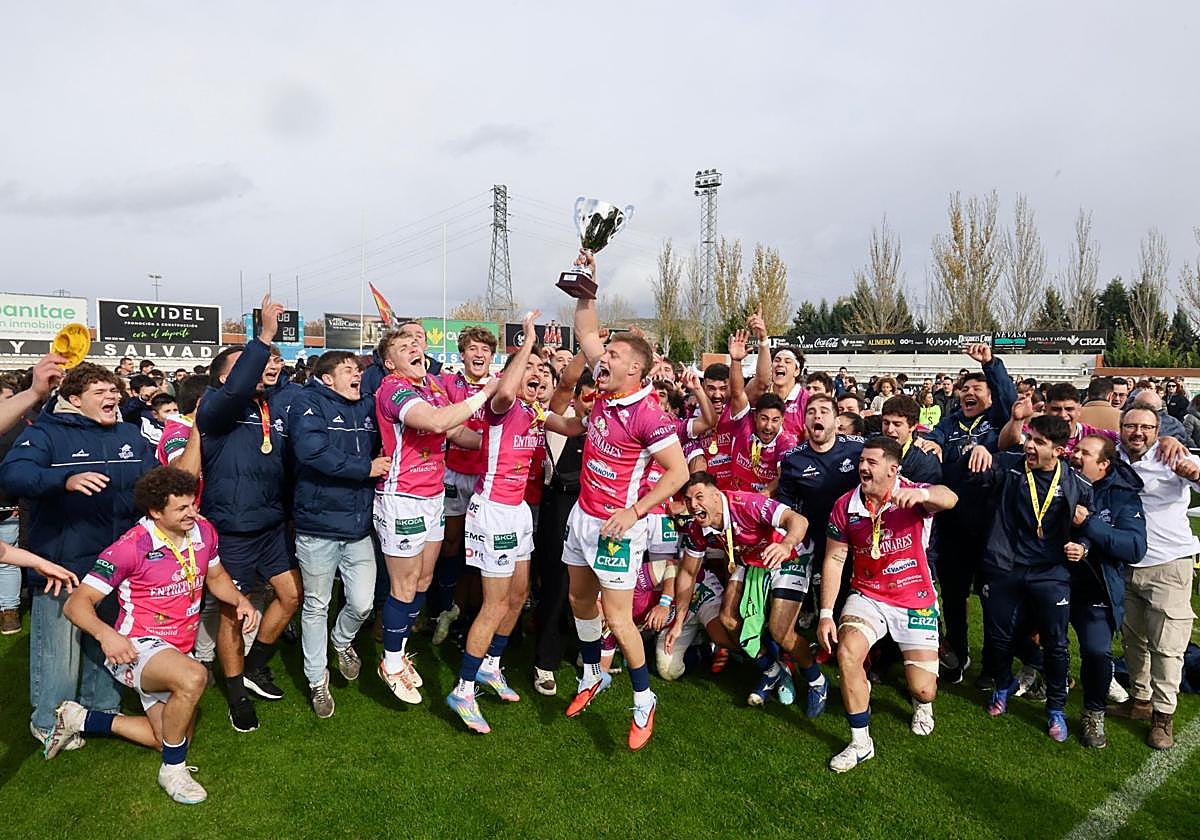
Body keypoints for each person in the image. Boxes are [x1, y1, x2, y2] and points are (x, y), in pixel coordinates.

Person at [47, 467, 258, 805]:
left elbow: (217, 578)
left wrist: (240, 600)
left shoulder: (203, 530)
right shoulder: (130, 546)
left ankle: (81, 718)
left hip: (177, 648)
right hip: (135, 647)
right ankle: (172, 772)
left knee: (169, 737)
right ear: (156, 512)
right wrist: (106, 635)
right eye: (182, 508)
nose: (192, 513)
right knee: (194, 676)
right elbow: (76, 604)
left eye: (193, 504)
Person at [562, 250, 688, 751]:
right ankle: (592, 673)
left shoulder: (649, 415)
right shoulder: (605, 388)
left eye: (613, 357)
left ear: (636, 369)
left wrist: (635, 511)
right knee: (578, 597)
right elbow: (586, 329)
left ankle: (642, 701)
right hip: (582, 517)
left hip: (620, 526)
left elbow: (678, 472)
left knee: (617, 618)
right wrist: (588, 282)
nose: (602, 358)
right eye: (605, 356)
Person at [0, 362, 154, 748]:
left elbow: (151, 483)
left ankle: (99, 709)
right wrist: (63, 480)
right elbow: (13, 476)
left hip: (113, 565)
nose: (112, 397)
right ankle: (49, 718)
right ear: (74, 399)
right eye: (100, 392)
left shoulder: (130, 435)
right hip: (60, 563)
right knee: (58, 650)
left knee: (104, 640)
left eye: (114, 390)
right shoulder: (47, 433)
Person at [448, 312, 577, 733]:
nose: (538, 375)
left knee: (520, 596)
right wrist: (527, 343)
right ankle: (463, 689)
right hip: (494, 511)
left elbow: (574, 426)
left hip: (519, 511)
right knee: (496, 603)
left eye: (542, 370)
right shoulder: (501, 406)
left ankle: (491, 665)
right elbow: (504, 389)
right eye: (531, 370)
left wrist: (607, 407)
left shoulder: (535, 411)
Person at [819, 436, 958, 771]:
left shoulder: (913, 493)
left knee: (924, 690)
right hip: (868, 595)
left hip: (915, 599)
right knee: (848, 652)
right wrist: (826, 613)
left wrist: (922, 495)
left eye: (872, 462)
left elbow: (949, 498)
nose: (862, 467)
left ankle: (922, 704)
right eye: (862, 461)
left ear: (893, 469)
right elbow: (835, 559)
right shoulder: (845, 505)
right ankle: (860, 742)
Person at [373, 322, 494, 705]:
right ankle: (391, 662)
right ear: (389, 361)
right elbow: (439, 422)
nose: (414, 347)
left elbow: (455, 433)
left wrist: (499, 448)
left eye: (416, 342)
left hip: (432, 497)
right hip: (402, 498)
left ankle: (400, 648)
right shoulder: (393, 390)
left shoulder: (433, 387)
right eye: (403, 345)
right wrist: (487, 392)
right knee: (404, 586)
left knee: (423, 581)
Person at [195, 296, 301, 732]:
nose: (261, 372)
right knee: (232, 614)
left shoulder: (270, 407)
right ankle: (236, 692)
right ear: (226, 376)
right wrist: (263, 337)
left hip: (271, 525)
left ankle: (255, 664)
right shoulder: (216, 407)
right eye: (248, 366)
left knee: (291, 595)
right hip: (232, 530)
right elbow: (239, 386)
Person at [966, 415, 1093, 742]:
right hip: (1005, 567)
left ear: (1060, 450)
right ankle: (1004, 685)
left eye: (1038, 442)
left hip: (1051, 573)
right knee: (998, 638)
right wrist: (977, 448)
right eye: (1029, 438)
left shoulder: (1078, 484)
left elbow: (1090, 529)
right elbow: (980, 464)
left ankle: (1055, 708)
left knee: (1056, 643)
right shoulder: (1010, 466)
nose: (1029, 446)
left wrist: (1082, 544)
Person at [671, 473, 827, 713]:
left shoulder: (746, 503)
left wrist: (786, 544)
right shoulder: (696, 527)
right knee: (727, 621)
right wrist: (678, 622)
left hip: (790, 555)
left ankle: (817, 681)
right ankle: (772, 670)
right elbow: (687, 574)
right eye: (689, 500)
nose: (693, 505)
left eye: (699, 497)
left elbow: (798, 521)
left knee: (780, 631)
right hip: (750, 560)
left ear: (716, 495)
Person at [289, 350, 388, 718]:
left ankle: (341, 640)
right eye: (348, 370)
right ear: (327, 377)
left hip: (358, 526)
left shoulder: (365, 406)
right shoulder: (307, 403)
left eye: (358, 370)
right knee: (316, 605)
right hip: (317, 527)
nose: (356, 375)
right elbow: (313, 453)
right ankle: (317, 680)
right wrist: (366, 468)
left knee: (362, 602)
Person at [919, 343, 1017, 684]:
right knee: (954, 596)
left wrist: (990, 364)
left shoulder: (998, 422)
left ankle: (992, 667)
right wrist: (931, 445)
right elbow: (931, 441)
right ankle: (957, 655)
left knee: (993, 601)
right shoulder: (949, 424)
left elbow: (1010, 400)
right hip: (953, 527)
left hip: (992, 527)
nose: (969, 393)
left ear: (990, 397)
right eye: (965, 389)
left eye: (977, 389)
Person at [1107, 407, 1200, 749]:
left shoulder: (1174, 455)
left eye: (1146, 427)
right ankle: (1140, 699)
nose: (1138, 432)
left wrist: (1195, 474)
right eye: (1131, 425)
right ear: (1120, 428)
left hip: (1168, 564)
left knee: (1168, 646)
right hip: (1126, 563)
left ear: (1158, 430)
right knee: (1133, 638)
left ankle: (1164, 715)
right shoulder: (1113, 453)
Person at [1069, 433, 1147, 747]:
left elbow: (1134, 547)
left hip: (1095, 590)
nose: (1076, 455)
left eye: (1085, 453)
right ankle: (1043, 678)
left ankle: (1093, 713)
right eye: (1076, 449)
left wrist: (1089, 524)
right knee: (1007, 626)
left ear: (1103, 464)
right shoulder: (1059, 478)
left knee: (1098, 653)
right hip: (1051, 580)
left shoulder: (1123, 495)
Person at [433, 325, 499, 645]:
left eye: (485, 350)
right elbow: (444, 425)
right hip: (453, 474)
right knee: (450, 544)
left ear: (492, 356)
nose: (479, 354)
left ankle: (471, 613)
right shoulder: (448, 383)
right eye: (473, 349)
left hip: (486, 478)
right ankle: (443, 607)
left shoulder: (500, 389)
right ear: (462, 355)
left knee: (481, 547)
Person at [725, 330, 796, 494]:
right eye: (764, 418)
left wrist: (761, 497)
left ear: (782, 420)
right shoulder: (745, 422)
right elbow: (737, 393)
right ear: (755, 416)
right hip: (735, 499)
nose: (769, 426)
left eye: (775, 420)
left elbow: (781, 476)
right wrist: (736, 361)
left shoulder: (786, 441)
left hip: (763, 506)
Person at [999, 382, 1117, 455]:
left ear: (1079, 410)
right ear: (1046, 409)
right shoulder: (1033, 432)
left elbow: (1126, 440)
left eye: (1069, 409)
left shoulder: (1093, 434)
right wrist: (1017, 420)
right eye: (1056, 409)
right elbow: (1005, 445)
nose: (1062, 415)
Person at [747, 307, 807, 439]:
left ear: (797, 371)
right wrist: (763, 340)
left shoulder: (806, 401)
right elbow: (760, 381)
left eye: (787, 361)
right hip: (757, 457)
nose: (780, 364)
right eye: (777, 360)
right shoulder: (759, 391)